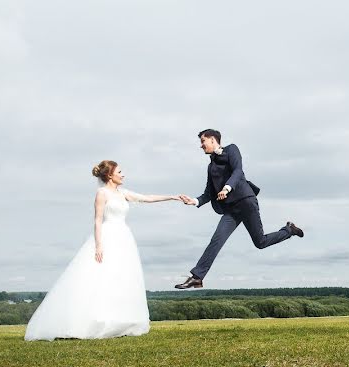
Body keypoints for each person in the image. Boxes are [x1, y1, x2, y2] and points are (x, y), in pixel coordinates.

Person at [25, 160, 194, 341]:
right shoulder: (102, 193)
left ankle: (119, 320)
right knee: (102, 275)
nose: (123, 174)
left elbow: (147, 197)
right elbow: (98, 220)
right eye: (120, 171)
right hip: (108, 236)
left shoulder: (123, 193)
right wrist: (99, 245)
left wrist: (173, 197)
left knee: (121, 277)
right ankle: (95, 320)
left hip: (124, 238)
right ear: (109, 175)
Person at [175, 129, 304, 289]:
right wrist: (194, 201)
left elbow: (238, 170)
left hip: (245, 201)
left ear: (213, 140)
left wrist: (227, 188)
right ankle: (197, 277)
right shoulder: (211, 167)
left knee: (260, 242)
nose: (201, 146)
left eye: (203, 141)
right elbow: (208, 192)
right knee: (216, 240)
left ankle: (289, 230)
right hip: (231, 210)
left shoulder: (231, 150)